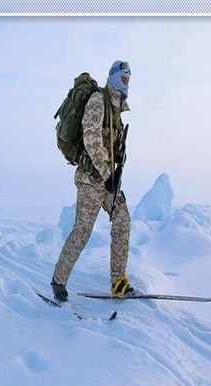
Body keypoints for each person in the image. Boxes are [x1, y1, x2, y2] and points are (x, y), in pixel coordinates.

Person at [51, 61, 134, 301]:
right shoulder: (99, 101)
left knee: (122, 219)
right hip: (90, 180)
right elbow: (91, 139)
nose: (126, 83)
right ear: (113, 77)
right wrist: (109, 174)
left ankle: (118, 283)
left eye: (129, 79)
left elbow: (108, 143)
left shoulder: (117, 109)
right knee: (82, 231)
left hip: (107, 181)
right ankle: (58, 280)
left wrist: (117, 161)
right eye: (123, 78)